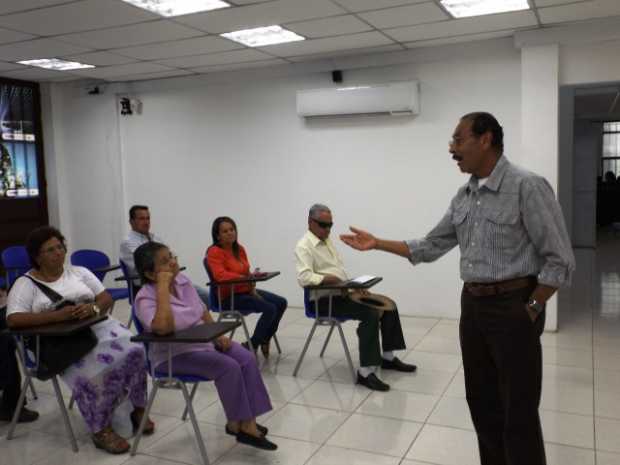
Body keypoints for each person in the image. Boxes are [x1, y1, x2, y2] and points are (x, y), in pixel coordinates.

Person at [340, 112, 576, 465]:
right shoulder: (464, 196)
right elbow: (430, 246)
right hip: (474, 308)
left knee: (519, 410)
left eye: (458, 139)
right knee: (482, 404)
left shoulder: (526, 186)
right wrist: (377, 243)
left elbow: (560, 259)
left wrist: (531, 308)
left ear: (485, 139)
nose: (452, 148)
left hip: (514, 306)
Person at [7, 226, 154, 454]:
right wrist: (57, 316)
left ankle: (138, 407)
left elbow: (105, 298)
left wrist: (92, 308)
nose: (58, 253)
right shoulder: (25, 284)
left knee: (136, 350)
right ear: (37, 256)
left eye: (60, 247)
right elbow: (14, 319)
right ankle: (101, 428)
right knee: (95, 371)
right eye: (50, 250)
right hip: (59, 342)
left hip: (96, 327)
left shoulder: (79, 272)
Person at [133, 241, 277, 451]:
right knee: (228, 367)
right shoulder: (145, 297)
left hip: (202, 342)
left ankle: (244, 422)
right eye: (164, 262)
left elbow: (201, 310)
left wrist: (217, 334)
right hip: (173, 356)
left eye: (171, 256)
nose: (172, 262)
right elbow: (162, 328)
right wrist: (162, 288)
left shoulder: (182, 281)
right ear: (150, 274)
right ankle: (241, 423)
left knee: (246, 357)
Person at [294, 204, 415, 392]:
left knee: (388, 305)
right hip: (323, 302)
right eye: (323, 225)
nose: (327, 229)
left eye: (330, 225)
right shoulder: (304, 246)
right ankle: (365, 372)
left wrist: (353, 288)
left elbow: (339, 274)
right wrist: (332, 280)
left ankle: (388, 358)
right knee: (370, 313)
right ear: (310, 222)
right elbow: (304, 278)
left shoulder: (327, 241)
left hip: (342, 293)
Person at [206, 217, 287, 357]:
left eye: (232, 229)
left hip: (246, 290)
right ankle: (252, 345)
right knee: (270, 308)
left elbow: (246, 272)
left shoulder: (239, 249)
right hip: (229, 297)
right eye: (225, 231)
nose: (230, 233)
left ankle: (264, 338)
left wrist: (252, 281)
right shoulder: (214, 252)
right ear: (217, 236)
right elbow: (220, 275)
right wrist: (244, 278)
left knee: (281, 302)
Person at [120, 205, 209, 303]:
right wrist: (168, 263)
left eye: (148, 218)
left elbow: (173, 256)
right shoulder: (128, 242)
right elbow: (148, 264)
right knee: (201, 299)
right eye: (142, 219)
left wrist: (168, 263)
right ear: (131, 222)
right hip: (149, 285)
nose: (146, 222)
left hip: (171, 279)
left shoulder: (155, 238)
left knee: (205, 297)